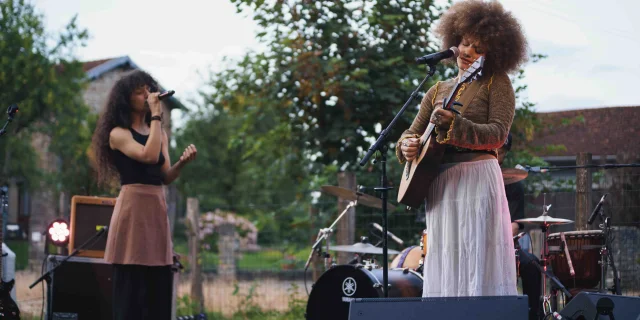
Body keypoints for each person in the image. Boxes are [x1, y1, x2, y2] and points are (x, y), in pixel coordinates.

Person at [396, 0, 528, 297]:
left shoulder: (498, 82)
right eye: (465, 43)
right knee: (446, 257)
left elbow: (497, 134)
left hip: (477, 178)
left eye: (478, 48)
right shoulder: (437, 89)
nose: (467, 51)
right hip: (440, 182)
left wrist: (455, 126)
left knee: (476, 256)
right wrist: (406, 145)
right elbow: (409, 133)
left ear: (493, 54)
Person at [91, 69, 197, 319]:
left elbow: (164, 176)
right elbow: (148, 156)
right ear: (125, 99)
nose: (147, 95)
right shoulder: (118, 133)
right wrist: (158, 115)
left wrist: (181, 163)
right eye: (139, 91)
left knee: (157, 287)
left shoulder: (158, 132)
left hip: (155, 207)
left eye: (148, 89)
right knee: (131, 287)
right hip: (133, 207)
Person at [498, 132, 542, 320]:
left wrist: (499, 239)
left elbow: (516, 224)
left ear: (506, 154)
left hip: (503, 244)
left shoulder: (512, 183)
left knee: (532, 265)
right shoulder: (473, 178)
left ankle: (533, 314)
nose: (496, 155)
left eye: (501, 152)